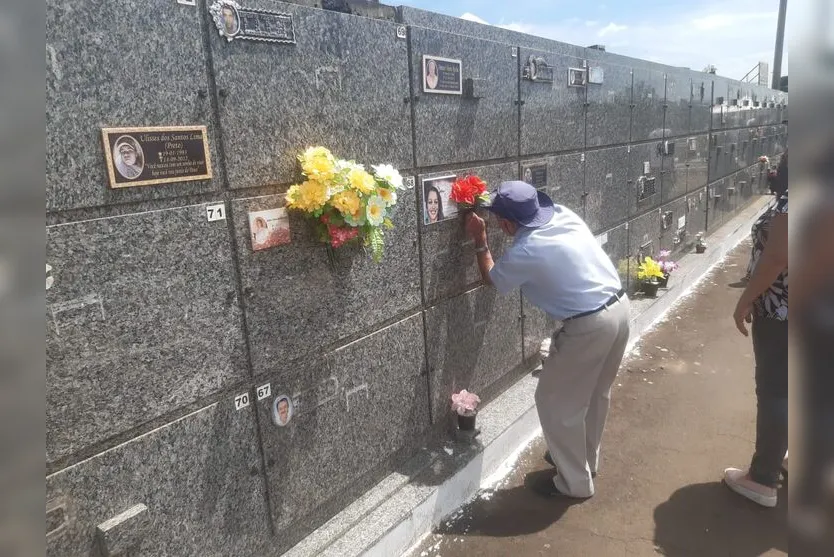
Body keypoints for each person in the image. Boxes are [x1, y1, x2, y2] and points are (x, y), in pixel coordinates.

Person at [465, 181, 629, 499]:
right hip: (620, 308)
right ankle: (585, 462)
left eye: (500, 220)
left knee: (554, 402)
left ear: (508, 223)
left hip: (590, 325)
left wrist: (481, 241)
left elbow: (493, 279)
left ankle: (575, 483)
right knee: (595, 394)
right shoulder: (563, 215)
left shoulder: (527, 250)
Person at [724, 151, 788, 508]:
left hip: (785, 310)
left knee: (778, 390)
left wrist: (746, 298)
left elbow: (778, 256)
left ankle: (763, 479)